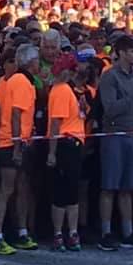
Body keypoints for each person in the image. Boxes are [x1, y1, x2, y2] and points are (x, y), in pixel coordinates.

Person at [97, 35, 133, 252]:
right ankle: (106, 232)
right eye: (131, 51)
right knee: (110, 186)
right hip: (114, 135)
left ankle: (128, 231)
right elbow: (109, 108)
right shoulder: (109, 77)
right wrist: (132, 96)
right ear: (120, 53)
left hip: (132, 135)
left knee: (128, 187)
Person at [0, 44, 38, 255]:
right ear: (31, 62)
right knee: (7, 188)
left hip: (20, 140)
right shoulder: (21, 81)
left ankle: (21, 232)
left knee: (21, 187)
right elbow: (16, 114)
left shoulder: (22, 81)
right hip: (10, 141)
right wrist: (17, 145)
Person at [46, 53, 85, 252]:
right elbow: (55, 123)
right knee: (62, 192)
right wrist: (52, 152)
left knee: (72, 192)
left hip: (73, 143)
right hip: (65, 143)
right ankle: (59, 233)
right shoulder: (61, 90)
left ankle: (72, 231)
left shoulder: (68, 90)